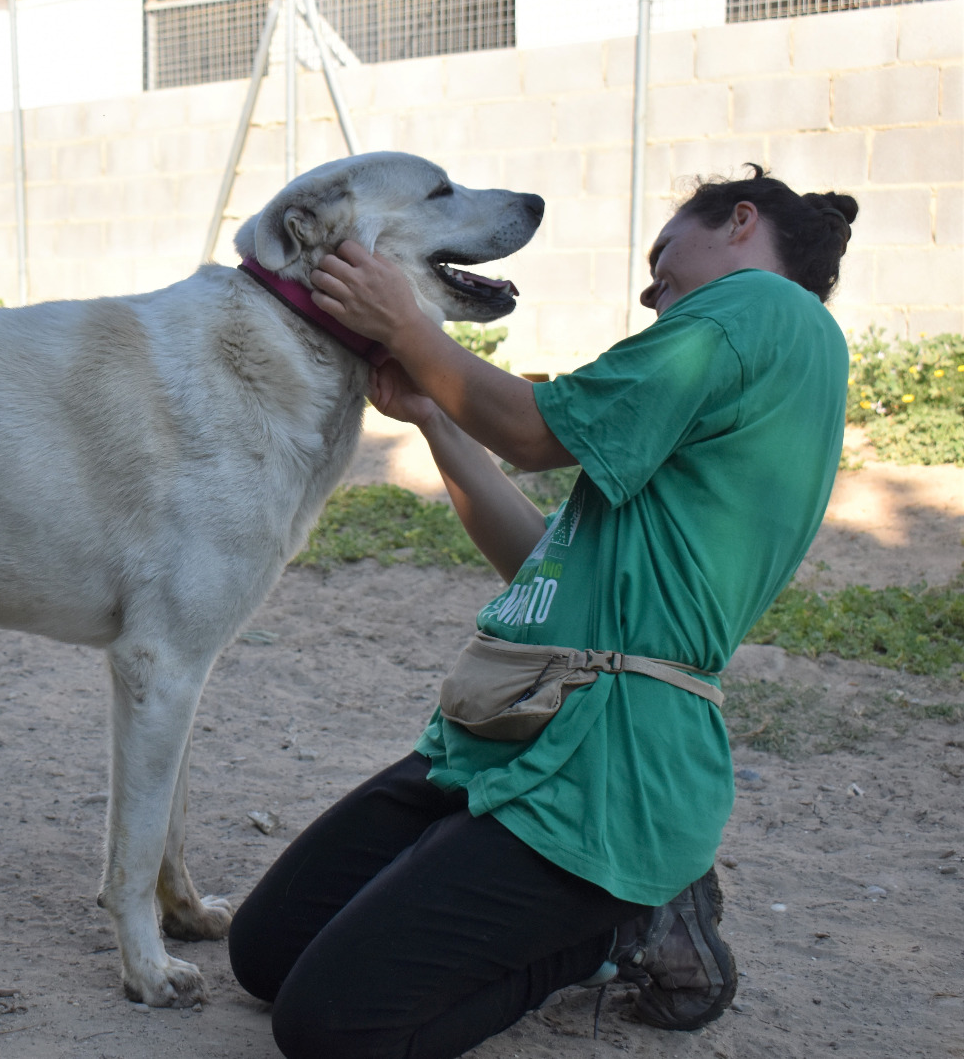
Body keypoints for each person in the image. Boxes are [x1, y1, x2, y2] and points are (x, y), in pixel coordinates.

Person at [226, 165, 858, 1059]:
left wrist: (408, 324)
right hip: (503, 741)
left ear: (742, 222)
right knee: (265, 955)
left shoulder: (770, 307)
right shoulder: (722, 395)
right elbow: (541, 562)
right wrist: (437, 420)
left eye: (663, 254)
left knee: (332, 1029)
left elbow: (530, 431)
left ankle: (618, 930)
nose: (651, 288)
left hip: (605, 771)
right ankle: (523, 899)